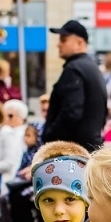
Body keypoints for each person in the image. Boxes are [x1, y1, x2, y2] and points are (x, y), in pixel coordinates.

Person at [42, 20, 107, 152]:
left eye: (64, 40)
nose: (58, 44)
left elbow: (71, 112)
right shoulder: (90, 67)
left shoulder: (74, 69)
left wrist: (50, 137)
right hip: (88, 149)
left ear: (79, 43)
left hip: (74, 152)